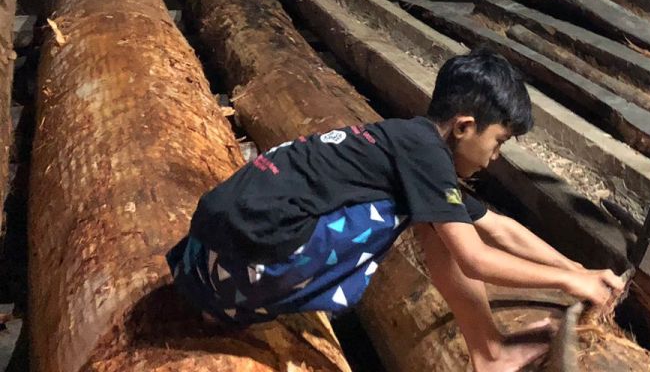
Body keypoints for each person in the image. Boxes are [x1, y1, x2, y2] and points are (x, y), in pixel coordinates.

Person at [167, 48, 625, 372]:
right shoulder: (425, 157)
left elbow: (499, 227)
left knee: (440, 217)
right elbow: (475, 257)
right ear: (466, 127)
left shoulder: (408, 141)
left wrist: (581, 268)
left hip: (203, 260)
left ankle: (489, 352)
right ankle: (490, 353)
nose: (496, 156)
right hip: (252, 263)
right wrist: (569, 282)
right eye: (499, 142)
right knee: (433, 225)